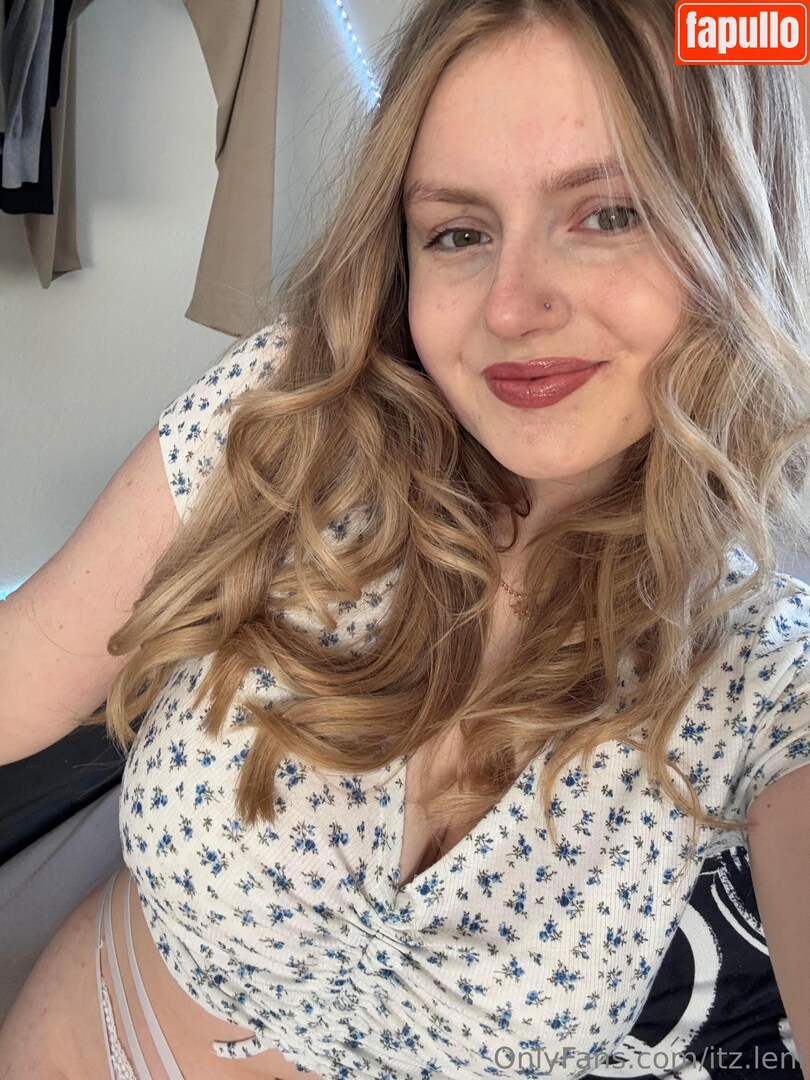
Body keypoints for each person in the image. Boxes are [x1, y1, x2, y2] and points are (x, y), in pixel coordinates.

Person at [1, 0, 809, 1077]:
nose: (511, 307)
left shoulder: (766, 676)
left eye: (609, 214)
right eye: (458, 233)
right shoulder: (296, 417)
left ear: (740, 228)